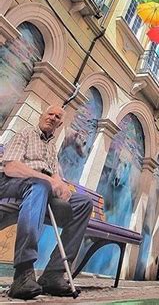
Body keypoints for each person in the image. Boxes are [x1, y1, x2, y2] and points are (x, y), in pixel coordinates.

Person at [0, 105, 93, 300]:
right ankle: (23, 273)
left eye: (57, 116)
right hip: (12, 183)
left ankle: (53, 273)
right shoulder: (25, 133)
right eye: (49, 114)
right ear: (42, 116)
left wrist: (60, 185)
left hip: (42, 189)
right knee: (40, 185)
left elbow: (55, 174)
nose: (52, 117)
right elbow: (11, 167)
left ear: (59, 124)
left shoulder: (51, 147)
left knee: (83, 203)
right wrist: (48, 180)